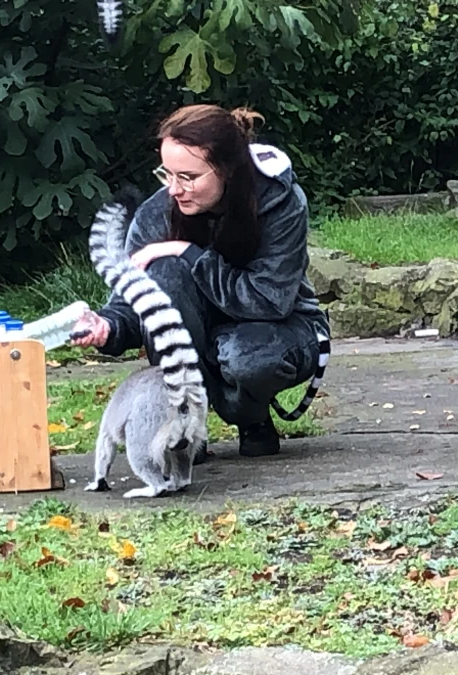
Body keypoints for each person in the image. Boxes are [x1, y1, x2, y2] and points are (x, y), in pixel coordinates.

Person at [72, 104, 331, 462]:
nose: (174, 189)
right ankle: (184, 429)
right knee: (161, 266)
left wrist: (190, 254)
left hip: (279, 329)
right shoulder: (156, 212)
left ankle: (251, 417)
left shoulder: (281, 202)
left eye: (188, 177)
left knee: (247, 358)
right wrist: (108, 326)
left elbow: (269, 300)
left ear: (226, 170)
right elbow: (134, 299)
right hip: (195, 335)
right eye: (167, 174)